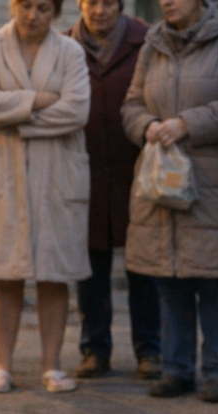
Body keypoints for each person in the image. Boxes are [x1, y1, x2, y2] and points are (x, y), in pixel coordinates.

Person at [120, 0, 218, 403]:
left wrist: (186, 123)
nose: (167, 1)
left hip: (215, 184)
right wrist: (146, 125)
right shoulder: (152, 45)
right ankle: (176, 369)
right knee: (168, 277)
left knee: (214, 281)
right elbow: (131, 104)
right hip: (160, 181)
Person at [0, 0, 91, 393]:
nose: (32, 15)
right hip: (3, 175)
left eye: (42, 7)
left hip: (57, 176)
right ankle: (1, 367)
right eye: (25, 5)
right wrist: (39, 99)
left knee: (54, 274)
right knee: (5, 273)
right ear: (12, 6)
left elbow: (76, 110)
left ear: (54, 12)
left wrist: (14, 107)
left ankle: (52, 367)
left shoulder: (71, 51)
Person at [63, 0, 162, 381]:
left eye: (108, 2)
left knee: (143, 269)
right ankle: (94, 349)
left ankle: (150, 351)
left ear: (120, 6)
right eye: (91, 2)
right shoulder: (65, 45)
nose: (99, 10)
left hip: (136, 173)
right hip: (83, 175)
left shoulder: (146, 41)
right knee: (90, 269)